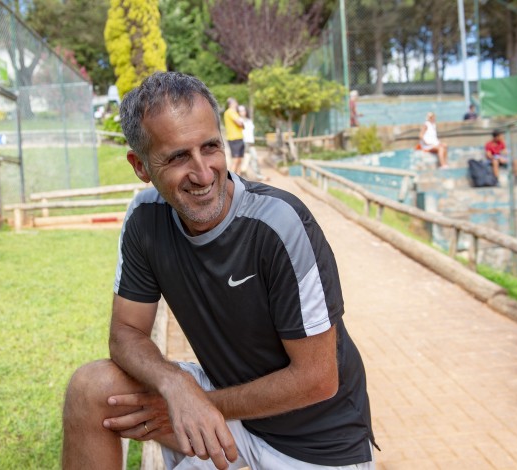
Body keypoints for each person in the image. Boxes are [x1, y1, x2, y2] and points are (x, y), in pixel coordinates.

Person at [62, 71, 377, 470]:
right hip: (233, 418)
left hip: (318, 446)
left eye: (210, 147)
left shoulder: (279, 224)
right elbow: (125, 333)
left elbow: (318, 377)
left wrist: (201, 402)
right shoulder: (145, 219)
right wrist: (175, 386)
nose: (204, 173)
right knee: (92, 389)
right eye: (178, 157)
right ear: (140, 166)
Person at [238, 105, 268, 181]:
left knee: (254, 158)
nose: (242, 112)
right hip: (245, 142)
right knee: (246, 159)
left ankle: (258, 175)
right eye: (240, 110)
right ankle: (243, 176)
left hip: (251, 143)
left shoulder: (249, 120)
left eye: (243, 110)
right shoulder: (239, 120)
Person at [223, 98, 245, 175]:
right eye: (235, 102)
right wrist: (242, 124)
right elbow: (240, 123)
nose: (237, 104)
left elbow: (242, 124)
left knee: (239, 160)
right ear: (231, 103)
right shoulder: (230, 112)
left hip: (239, 138)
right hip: (234, 138)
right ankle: (230, 179)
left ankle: (239, 180)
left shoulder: (235, 113)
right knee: (235, 160)